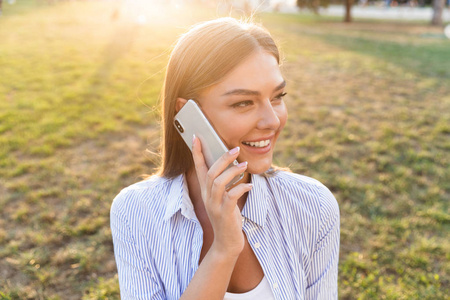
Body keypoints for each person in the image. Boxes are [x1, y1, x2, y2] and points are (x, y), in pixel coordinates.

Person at [110, 17, 340, 299]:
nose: (272, 121)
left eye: (278, 96)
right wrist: (224, 250)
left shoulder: (313, 205)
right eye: (243, 102)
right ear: (187, 113)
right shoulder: (136, 213)